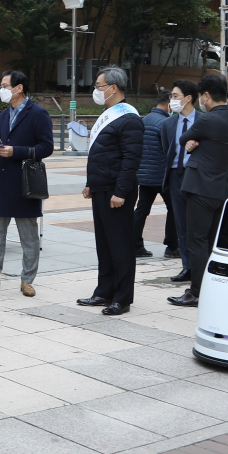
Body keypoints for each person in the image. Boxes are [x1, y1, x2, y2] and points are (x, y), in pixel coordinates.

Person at [0, 70, 53, 297]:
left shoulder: (38, 113)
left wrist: (17, 151)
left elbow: (47, 147)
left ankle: (27, 280)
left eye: (5, 85)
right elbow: (2, 144)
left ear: (19, 88)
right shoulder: (4, 115)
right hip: (3, 179)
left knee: (29, 235)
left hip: (26, 181)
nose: (1, 90)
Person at [168, 74, 228, 307]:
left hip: (200, 188)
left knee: (196, 242)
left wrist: (194, 141)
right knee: (210, 243)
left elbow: (185, 138)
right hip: (220, 189)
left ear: (207, 96)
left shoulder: (208, 120)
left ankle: (196, 292)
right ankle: (210, 288)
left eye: (201, 97)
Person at [76, 67, 143, 316]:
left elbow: (131, 159)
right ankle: (104, 290)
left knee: (121, 245)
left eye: (99, 85)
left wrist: (121, 191)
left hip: (117, 192)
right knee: (104, 244)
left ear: (113, 88)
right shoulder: (108, 115)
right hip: (102, 188)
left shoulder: (129, 118)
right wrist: (91, 182)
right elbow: (101, 155)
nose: (96, 90)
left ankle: (122, 297)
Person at [133, 92, 178, 260]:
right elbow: (170, 150)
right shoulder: (166, 123)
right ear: (168, 105)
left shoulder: (144, 120)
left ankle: (135, 244)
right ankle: (172, 246)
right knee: (174, 209)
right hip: (162, 176)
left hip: (144, 175)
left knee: (142, 210)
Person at [161, 80, 197, 285]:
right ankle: (187, 266)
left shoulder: (203, 120)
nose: (172, 100)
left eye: (175, 96)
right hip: (175, 175)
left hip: (195, 176)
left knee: (196, 222)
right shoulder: (168, 123)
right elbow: (167, 149)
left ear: (188, 98)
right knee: (181, 223)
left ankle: (199, 263)